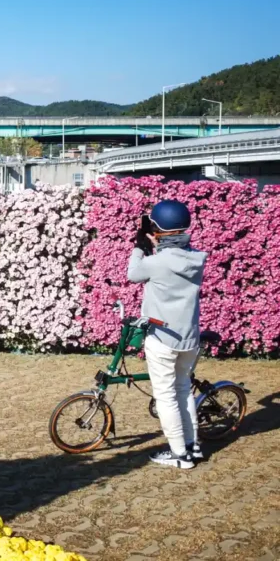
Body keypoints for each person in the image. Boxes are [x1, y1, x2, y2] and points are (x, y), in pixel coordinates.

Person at [127, 199, 208, 469]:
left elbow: (133, 274)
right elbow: (174, 253)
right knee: (183, 391)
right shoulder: (196, 258)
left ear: (158, 230)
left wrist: (140, 246)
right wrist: (157, 242)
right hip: (189, 338)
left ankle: (179, 455)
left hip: (162, 337)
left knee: (166, 396)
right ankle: (191, 447)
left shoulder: (156, 262)